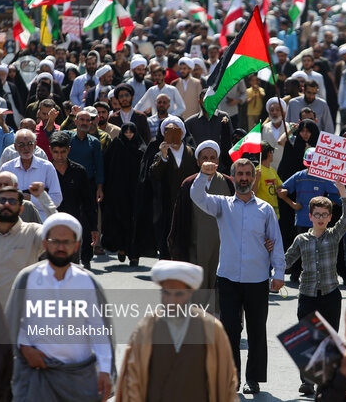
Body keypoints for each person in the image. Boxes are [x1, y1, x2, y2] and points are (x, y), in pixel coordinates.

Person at [191, 158, 285, 394]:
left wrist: (279, 272)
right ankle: (231, 377)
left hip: (257, 279)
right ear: (234, 178)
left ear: (254, 178)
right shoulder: (222, 205)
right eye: (240, 174)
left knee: (256, 330)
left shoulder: (265, 210)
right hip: (229, 278)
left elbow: (276, 241)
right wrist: (203, 175)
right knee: (230, 330)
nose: (244, 178)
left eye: (247, 174)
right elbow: (197, 196)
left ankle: (252, 379)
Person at [5, 213, 114, 402]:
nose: (61, 247)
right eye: (55, 241)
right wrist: (24, 346)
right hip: (36, 375)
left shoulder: (87, 282)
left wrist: (105, 370)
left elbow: (100, 330)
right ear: (45, 243)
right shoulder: (28, 278)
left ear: (77, 245)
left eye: (67, 242)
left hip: (79, 379)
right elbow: (14, 322)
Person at [115, 260, 238, 401]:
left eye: (178, 294)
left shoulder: (211, 329)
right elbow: (131, 381)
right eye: (166, 294)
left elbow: (226, 383)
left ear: (190, 292)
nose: (171, 301)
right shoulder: (146, 328)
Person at [284, 180, 346, 395]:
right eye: (317, 214)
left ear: (330, 217)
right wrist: (271, 261)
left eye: (325, 214)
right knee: (308, 339)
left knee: (328, 340)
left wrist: (342, 190)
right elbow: (286, 261)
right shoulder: (301, 240)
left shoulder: (333, 235)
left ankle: (327, 382)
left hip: (331, 295)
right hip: (307, 295)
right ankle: (307, 381)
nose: (321, 218)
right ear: (310, 216)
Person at [168, 140, 235, 292]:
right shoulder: (188, 184)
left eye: (213, 158)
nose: (209, 162)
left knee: (221, 295)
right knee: (197, 293)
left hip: (222, 249)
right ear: (198, 161)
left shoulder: (229, 183)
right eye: (205, 158)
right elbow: (179, 221)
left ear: (218, 160)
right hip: (195, 248)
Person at [279, 147, 340, 283]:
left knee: (316, 250)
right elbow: (282, 190)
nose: (312, 168)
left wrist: (326, 204)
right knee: (299, 249)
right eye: (309, 165)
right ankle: (295, 274)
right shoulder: (299, 176)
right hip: (301, 219)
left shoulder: (324, 179)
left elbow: (337, 194)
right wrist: (292, 204)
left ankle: (314, 276)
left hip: (318, 221)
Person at [150, 116, 198, 259]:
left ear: (182, 132)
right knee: (167, 238)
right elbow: (155, 175)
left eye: (175, 130)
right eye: (168, 130)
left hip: (188, 202)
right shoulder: (161, 154)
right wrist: (163, 157)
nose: (172, 133)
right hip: (167, 204)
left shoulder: (192, 152)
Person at [49, 131, 99, 269]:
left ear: (69, 150)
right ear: (50, 150)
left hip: (73, 226)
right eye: (56, 152)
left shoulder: (79, 171)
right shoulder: (45, 171)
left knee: (72, 268)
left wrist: (93, 228)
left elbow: (88, 202)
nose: (59, 156)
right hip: (50, 227)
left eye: (63, 152)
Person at [101, 123, 146, 264]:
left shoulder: (141, 148)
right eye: (125, 132)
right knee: (119, 220)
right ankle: (121, 248)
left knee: (135, 223)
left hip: (135, 192)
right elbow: (107, 165)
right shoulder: (116, 146)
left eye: (131, 132)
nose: (128, 134)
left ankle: (134, 254)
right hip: (117, 192)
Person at [0, 187, 44, 304]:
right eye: (2, 201)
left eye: (12, 202)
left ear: (21, 209)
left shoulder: (32, 232)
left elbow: (59, 229)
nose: (6, 204)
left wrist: (43, 198)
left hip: (20, 313)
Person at [0, 130, 62, 222]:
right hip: (14, 224)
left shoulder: (47, 167)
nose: (26, 148)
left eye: (29, 143)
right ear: (15, 147)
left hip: (41, 222)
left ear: (35, 145)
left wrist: (30, 199)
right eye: (21, 144)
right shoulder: (7, 168)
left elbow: (57, 198)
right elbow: (1, 198)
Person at [185, 90, 233, 174]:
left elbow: (230, 140)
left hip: (222, 168)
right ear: (199, 101)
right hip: (199, 170)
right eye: (204, 100)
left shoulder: (224, 117)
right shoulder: (190, 122)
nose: (207, 103)